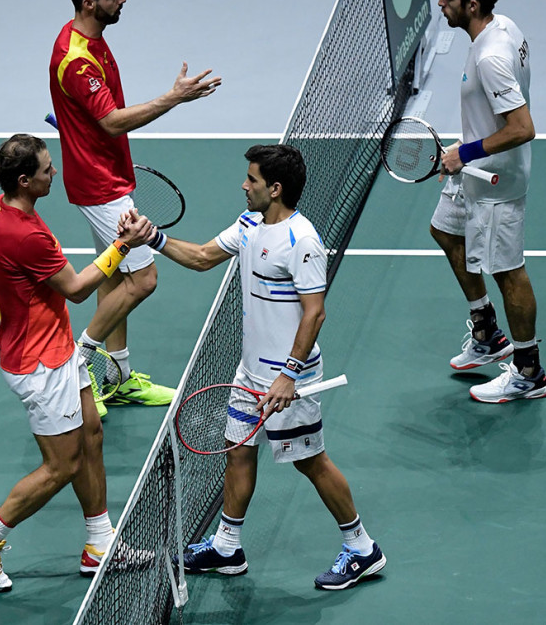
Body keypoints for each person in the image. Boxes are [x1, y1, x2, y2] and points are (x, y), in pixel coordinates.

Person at [148, 144, 385, 590]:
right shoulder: (249, 225)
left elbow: (315, 314)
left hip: (289, 381)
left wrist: (289, 375)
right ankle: (227, 547)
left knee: (310, 462)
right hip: (250, 374)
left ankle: (362, 548)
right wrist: (153, 239)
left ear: (274, 189)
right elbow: (201, 257)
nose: (244, 185)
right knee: (238, 452)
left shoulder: (303, 242)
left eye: (252, 180)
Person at [0, 134, 154, 592]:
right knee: (60, 465)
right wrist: (123, 244)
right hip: (42, 367)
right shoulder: (29, 234)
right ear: (25, 180)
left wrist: (10, 322)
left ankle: (100, 543)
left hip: (52, 349)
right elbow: (79, 288)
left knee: (91, 434)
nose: (54, 173)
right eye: (46, 169)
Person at [49, 0, 222, 410]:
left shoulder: (89, 40)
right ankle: (77, 362)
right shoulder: (77, 60)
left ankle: (118, 377)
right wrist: (174, 97)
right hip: (101, 187)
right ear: (90, 4)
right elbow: (110, 121)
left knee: (114, 276)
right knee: (143, 280)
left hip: (104, 175)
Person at [430, 0, 546, 403]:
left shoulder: (492, 57)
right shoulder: (500, 27)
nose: (440, 3)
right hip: (475, 173)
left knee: (507, 271)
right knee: (445, 231)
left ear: (472, 4)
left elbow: (522, 127)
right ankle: (486, 332)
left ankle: (529, 371)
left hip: (496, 178)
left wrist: (466, 152)